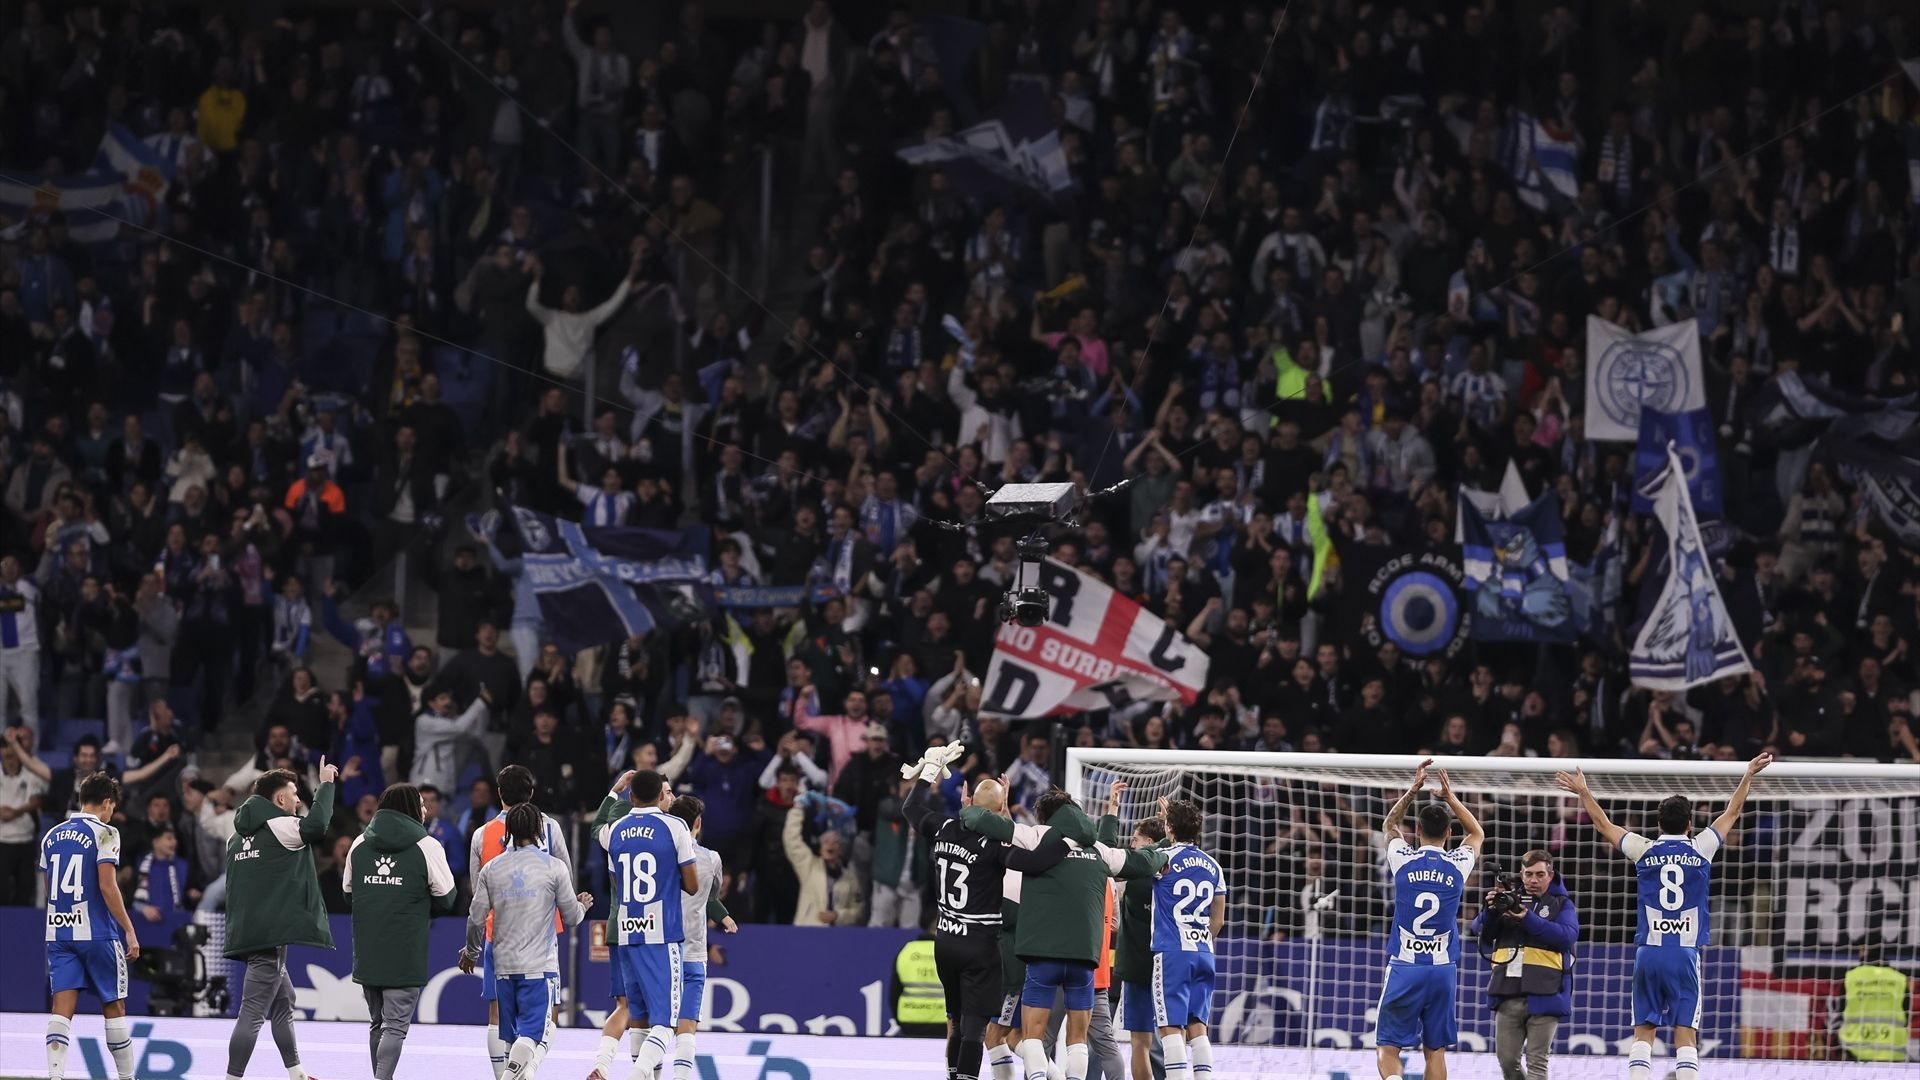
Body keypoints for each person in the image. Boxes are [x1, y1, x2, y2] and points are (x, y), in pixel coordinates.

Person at [1556, 753, 1771, 1080]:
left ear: (1658, 825)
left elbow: (1604, 825)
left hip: (1649, 953)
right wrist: (1748, 775)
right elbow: (1733, 811)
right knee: (1685, 1034)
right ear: (1689, 824)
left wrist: (1584, 793)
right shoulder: (1701, 847)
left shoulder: (1644, 849)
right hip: (1685, 954)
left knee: (1644, 1031)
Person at [959, 784, 1167, 1080]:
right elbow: (1143, 862)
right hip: (1084, 959)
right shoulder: (1100, 850)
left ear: (1046, 817)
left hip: (1042, 956)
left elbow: (985, 822)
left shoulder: (1036, 836)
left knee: (1031, 1035)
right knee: (1078, 1040)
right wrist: (1166, 846)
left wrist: (967, 807)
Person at [900, 745, 1069, 1080]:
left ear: (968, 802)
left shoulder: (944, 828)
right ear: (997, 811)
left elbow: (911, 807)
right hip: (979, 946)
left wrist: (931, 770)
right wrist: (1070, 841)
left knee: (956, 1022)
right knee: (975, 1031)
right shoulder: (994, 847)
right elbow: (1035, 862)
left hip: (944, 940)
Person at [223, 761, 341, 1080]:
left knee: (283, 1000)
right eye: (293, 794)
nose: (298, 800)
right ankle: (232, 1077)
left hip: (248, 931)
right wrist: (326, 784)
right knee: (252, 1012)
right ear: (279, 801)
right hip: (270, 935)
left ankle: (297, 1073)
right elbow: (317, 826)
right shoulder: (282, 826)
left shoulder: (236, 838)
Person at [460, 803, 590, 1080]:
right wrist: (584, 906)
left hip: (503, 967)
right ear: (539, 829)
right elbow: (571, 917)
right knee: (534, 1035)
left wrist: (471, 951)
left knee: (511, 1040)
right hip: (538, 967)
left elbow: (475, 917)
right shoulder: (554, 868)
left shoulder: (491, 869)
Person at [1375, 759, 1485, 1080]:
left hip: (1405, 966)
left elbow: (1389, 825)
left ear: (1418, 831)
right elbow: (1477, 832)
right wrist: (1450, 798)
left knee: (1388, 1047)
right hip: (1442, 970)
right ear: (1449, 833)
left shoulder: (1402, 860)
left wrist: (1412, 791)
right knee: (1435, 1050)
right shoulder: (1458, 865)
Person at [346, 783, 459, 1080]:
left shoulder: (359, 843)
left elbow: (348, 893)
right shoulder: (428, 845)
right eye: (420, 804)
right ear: (409, 808)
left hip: (369, 944)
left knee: (377, 1023)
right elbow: (447, 897)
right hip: (405, 944)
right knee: (395, 1026)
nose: (424, 810)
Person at [598, 768, 699, 1080]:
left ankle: (636, 1071)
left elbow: (616, 881)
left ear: (630, 796)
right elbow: (692, 886)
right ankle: (639, 1073)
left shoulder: (614, 830)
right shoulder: (675, 826)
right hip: (662, 932)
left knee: (638, 1018)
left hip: (627, 931)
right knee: (667, 1022)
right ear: (661, 796)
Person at [41, 771, 141, 1080]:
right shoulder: (106, 833)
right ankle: (127, 1078)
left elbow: (48, 887)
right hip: (97, 932)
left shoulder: (51, 835)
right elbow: (108, 887)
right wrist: (129, 928)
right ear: (107, 803)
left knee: (61, 1008)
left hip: (58, 931)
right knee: (114, 1005)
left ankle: (55, 1076)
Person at [1466, 850, 1580, 1080]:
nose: (1533, 880)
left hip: (1546, 992)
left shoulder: (1562, 904)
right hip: (1507, 989)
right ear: (1521, 874)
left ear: (1550, 875)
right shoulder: (1509, 899)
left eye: (1539, 874)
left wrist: (1526, 918)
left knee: (1537, 1064)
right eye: (1528, 874)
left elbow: (1567, 937)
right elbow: (1478, 933)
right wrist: (1490, 911)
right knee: (1508, 1062)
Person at [661, 794, 739, 1080]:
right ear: (698, 823)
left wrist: (723, 915)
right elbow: (709, 894)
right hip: (694, 952)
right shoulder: (711, 859)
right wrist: (723, 914)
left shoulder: (659, 854)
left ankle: (643, 1071)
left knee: (657, 1023)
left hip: (660, 949)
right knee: (687, 1024)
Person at [1151, 798, 1225, 1079]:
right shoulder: (1214, 866)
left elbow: (1139, 864)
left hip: (1173, 952)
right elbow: (1218, 920)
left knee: (1171, 1029)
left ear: (1169, 827)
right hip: (1204, 952)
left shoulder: (1164, 859)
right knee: (1198, 1028)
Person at [1115, 814, 1170, 1080]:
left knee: (1140, 1043)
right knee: (1175, 1040)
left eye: (1135, 839)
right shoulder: (1175, 875)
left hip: (1136, 967)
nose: (1131, 844)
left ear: (1149, 842)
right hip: (1169, 965)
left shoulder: (1130, 876)